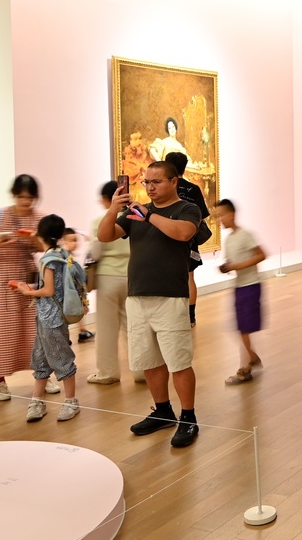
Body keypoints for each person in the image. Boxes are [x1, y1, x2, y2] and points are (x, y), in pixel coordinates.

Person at [98, 161, 211, 447]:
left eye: (156, 182)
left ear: (174, 182)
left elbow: (183, 233)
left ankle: (188, 418)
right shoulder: (134, 213)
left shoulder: (187, 209)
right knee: (148, 360)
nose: (150, 187)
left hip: (170, 297)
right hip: (137, 296)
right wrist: (113, 209)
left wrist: (148, 216)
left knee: (178, 361)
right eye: (146, 182)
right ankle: (163, 411)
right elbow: (105, 236)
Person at [6, 214, 82, 423]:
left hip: (51, 317)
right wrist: (29, 287)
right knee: (40, 357)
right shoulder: (61, 254)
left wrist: (26, 292)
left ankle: (71, 401)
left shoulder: (48, 260)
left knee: (61, 357)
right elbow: (52, 287)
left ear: (40, 235)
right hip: (50, 316)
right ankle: (37, 400)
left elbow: (48, 291)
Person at [0, 175, 45, 401]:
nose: (25, 202)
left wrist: (34, 240)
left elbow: (45, 246)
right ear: (14, 195)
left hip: (28, 273)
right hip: (0, 276)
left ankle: (42, 376)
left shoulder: (39, 217)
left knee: (35, 328)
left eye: (29, 198)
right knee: (0, 328)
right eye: (21, 197)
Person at [214, 200, 266, 384]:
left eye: (221, 215)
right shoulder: (229, 239)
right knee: (241, 328)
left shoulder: (245, 235)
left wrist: (237, 266)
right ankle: (252, 359)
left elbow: (261, 254)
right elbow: (232, 262)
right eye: (217, 216)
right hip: (239, 287)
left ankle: (246, 366)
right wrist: (227, 267)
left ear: (232, 215)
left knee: (244, 328)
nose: (220, 220)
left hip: (251, 286)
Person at [85, 181, 131, 385]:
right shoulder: (134, 218)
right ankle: (141, 370)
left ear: (107, 199)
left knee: (106, 329)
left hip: (107, 278)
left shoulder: (99, 221)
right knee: (134, 327)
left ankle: (108, 372)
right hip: (132, 276)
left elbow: (95, 253)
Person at [161, 150, 213, 324]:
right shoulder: (193, 189)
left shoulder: (164, 188)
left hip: (167, 238)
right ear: (184, 167)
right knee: (190, 277)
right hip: (190, 240)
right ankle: (190, 316)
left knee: (168, 277)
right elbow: (202, 215)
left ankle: (172, 315)